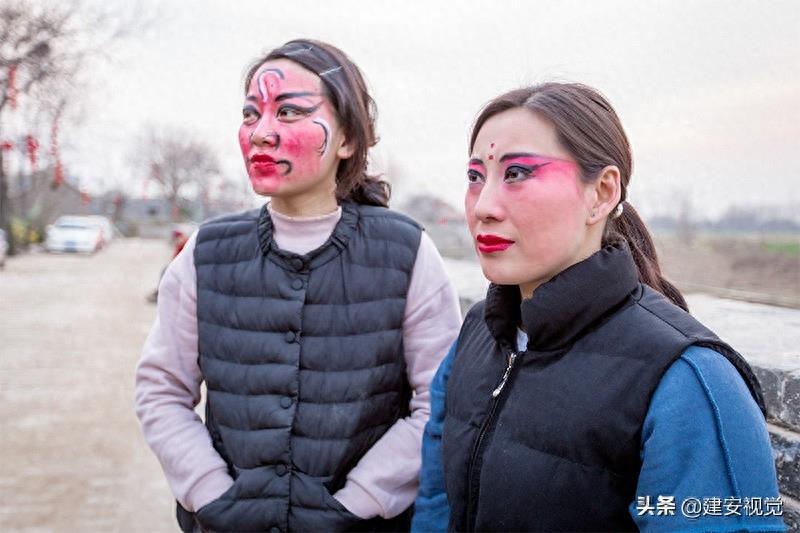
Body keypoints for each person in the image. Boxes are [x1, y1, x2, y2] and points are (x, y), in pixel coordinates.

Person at [411, 83, 785, 532]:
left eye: (517, 174)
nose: (484, 206)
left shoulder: (690, 380)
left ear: (602, 192)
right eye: (476, 177)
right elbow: (436, 502)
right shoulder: (479, 332)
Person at [135, 39, 461, 532]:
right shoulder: (206, 251)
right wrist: (211, 494)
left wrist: (358, 501)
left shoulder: (406, 251)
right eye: (251, 114)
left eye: (288, 112)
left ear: (348, 138)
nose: (262, 132)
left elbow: (438, 399)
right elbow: (161, 389)